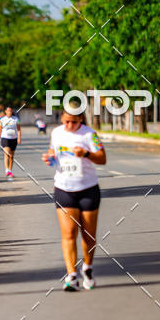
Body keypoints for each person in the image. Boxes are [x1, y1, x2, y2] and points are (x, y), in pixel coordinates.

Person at [42, 109, 106, 291]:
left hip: (88, 189)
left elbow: (102, 159)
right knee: (69, 233)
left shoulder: (89, 134)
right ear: (61, 118)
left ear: (81, 120)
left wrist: (86, 154)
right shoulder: (56, 133)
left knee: (88, 235)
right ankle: (71, 275)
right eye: (67, 121)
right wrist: (50, 158)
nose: (70, 125)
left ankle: (87, 267)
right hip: (64, 188)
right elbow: (53, 153)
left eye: (74, 122)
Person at [0, 105, 21, 178]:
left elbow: (19, 129)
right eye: (8, 111)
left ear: (12, 111)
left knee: (11, 156)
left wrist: (19, 138)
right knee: (7, 153)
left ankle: (10, 170)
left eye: (10, 110)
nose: (9, 112)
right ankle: (7, 170)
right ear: (5, 112)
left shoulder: (16, 119)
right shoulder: (2, 120)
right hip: (5, 138)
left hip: (13, 139)